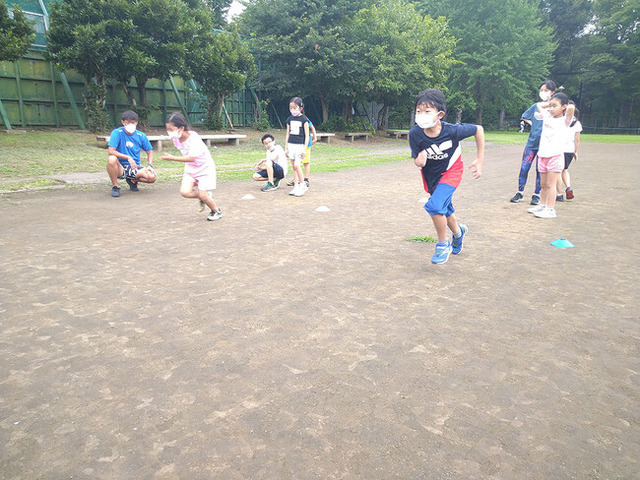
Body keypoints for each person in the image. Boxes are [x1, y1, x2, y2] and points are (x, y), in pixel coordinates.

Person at [409, 89, 485, 265]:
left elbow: (478, 130)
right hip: (431, 177)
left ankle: (443, 244)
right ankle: (458, 233)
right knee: (445, 210)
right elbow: (417, 159)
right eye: (418, 111)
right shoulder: (415, 133)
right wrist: (419, 161)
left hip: (452, 171)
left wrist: (479, 160)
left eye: (427, 111)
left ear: (440, 114)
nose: (421, 115)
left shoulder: (452, 131)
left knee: (435, 206)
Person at [159, 112, 222, 221]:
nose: (169, 132)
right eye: (167, 129)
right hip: (191, 169)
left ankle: (216, 211)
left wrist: (172, 158)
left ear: (181, 128)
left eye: (171, 129)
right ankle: (205, 196)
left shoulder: (193, 138)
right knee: (185, 192)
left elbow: (192, 158)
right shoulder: (176, 139)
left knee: (203, 195)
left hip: (205, 168)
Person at [528, 92, 575, 219]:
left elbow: (571, 108)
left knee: (550, 184)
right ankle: (542, 205)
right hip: (543, 155)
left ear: (563, 106)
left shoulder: (565, 120)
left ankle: (550, 209)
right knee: (543, 184)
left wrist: (565, 105)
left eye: (555, 106)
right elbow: (538, 105)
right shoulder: (547, 116)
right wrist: (550, 104)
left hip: (555, 156)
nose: (551, 108)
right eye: (550, 106)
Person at [510, 80, 557, 205]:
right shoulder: (536, 106)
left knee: (540, 171)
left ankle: (536, 195)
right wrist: (533, 124)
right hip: (532, 143)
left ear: (552, 92)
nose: (543, 92)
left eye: (546, 90)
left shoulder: (554, 109)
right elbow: (524, 116)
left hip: (545, 145)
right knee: (524, 168)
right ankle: (520, 192)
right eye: (541, 90)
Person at [106, 110, 157, 197]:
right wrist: (128, 157)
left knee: (152, 177)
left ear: (136, 122)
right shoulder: (117, 133)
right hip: (120, 167)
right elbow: (111, 151)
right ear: (123, 122)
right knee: (111, 159)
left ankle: (133, 180)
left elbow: (150, 152)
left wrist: (150, 165)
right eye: (127, 122)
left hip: (134, 166)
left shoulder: (141, 136)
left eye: (132, 122)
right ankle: (115, 186)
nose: (130, 125)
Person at [556, 102, 582, 202]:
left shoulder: (560, 120)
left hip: (560, 149)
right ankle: (568, 187)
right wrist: (575, 151)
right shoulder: (577, 123)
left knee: (558, 172)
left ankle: (559, 194)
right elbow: (577, 140)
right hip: (570, 150)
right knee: (565, 170)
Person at [284, 96, 310, 197]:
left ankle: (302, 185)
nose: (292, 110)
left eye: (294, 108)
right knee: (293, 167)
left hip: (300, 146)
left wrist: (304, 149)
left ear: (300, 108)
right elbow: (287, 133)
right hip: (291, 145)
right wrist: (286, 147)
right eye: (291, 108)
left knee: (297, 165)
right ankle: (295, 186)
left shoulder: (304, 119)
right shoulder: (289, 119)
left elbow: (307, 135)